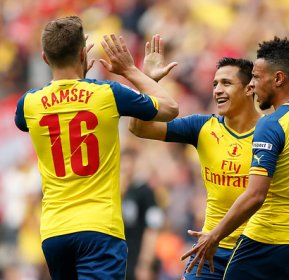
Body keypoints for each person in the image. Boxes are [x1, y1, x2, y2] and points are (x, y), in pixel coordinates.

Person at [129, 35, 289, 279]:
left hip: (255, 248)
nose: (217, 91)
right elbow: (139, 128)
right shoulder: (202, 127)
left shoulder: (274, 128)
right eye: (214, 84)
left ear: (249, 89)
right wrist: (148, 80)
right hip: (210, 247)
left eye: (226, 83)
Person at [14, 16, 178, 280]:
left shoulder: (28, 104)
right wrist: (131, 71)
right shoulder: (106, 94)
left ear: (45, 58)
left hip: (55, 233)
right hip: (99, 228)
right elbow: (170, 108)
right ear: (83, 53)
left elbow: (50, 112)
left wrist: (77, 77)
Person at [120, 147, 164, 280]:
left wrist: (145, 262)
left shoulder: (144, 192)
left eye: (129, 165)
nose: (126, 170)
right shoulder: (113, 192)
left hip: (136, 257)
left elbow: (153, 227)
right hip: (118, 257)